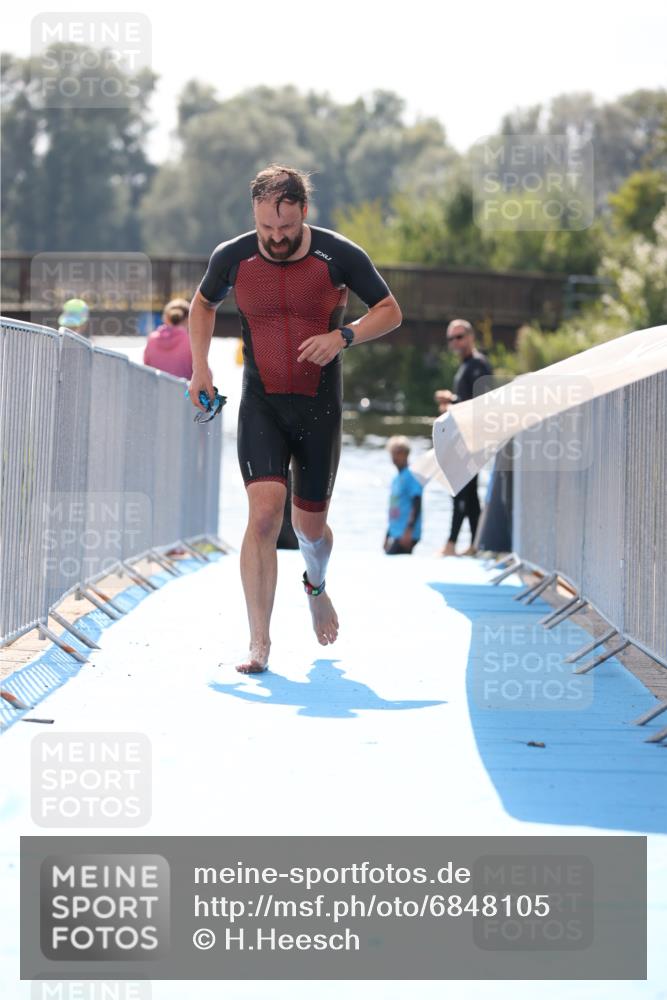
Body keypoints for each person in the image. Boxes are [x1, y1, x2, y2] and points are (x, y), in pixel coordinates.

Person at [188, 165, 402, 673]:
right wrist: (201, 368)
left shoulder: (339, 255)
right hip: (261, 402)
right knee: (263, 514)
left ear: (304, 212)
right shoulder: (233, 256)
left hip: (318, 408)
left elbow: (390, 310)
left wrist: (343, 336)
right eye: (266, 228)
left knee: (310, 528)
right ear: (255, 217)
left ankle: (316, 583)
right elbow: (202, 305)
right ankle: (258, 642)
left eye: (285, 228)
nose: (276, 238)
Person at [435, 318, 492, 557]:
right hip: (463, 439)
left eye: (459, 337)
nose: (455, 342)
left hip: (472, 440)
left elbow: (480, 402)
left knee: (461, 490)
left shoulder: (478, 364)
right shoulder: (466, 366)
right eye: (451, 338)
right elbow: (467, 399)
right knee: (467, 493)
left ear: (471, 338)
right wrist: (453, 401)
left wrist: (452, 405)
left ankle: (452, 544)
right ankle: (477, 544)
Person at [384, 436, 423, 555]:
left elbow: (417, 502)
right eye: (392, 453)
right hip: (396, 532)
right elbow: (394, 508)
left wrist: (409, 530)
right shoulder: (396, 479)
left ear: (406, 454)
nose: (394, 457)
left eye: (398, 453)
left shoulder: (412, 476)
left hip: (407, 533)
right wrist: (387, 535)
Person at [144, 298, 193, 379]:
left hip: (156, 389)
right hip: (182, 390)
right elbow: (202, 373)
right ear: (188, 319)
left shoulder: (152, 339)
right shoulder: (191, 342)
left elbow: (146, 367)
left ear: (165, 318)